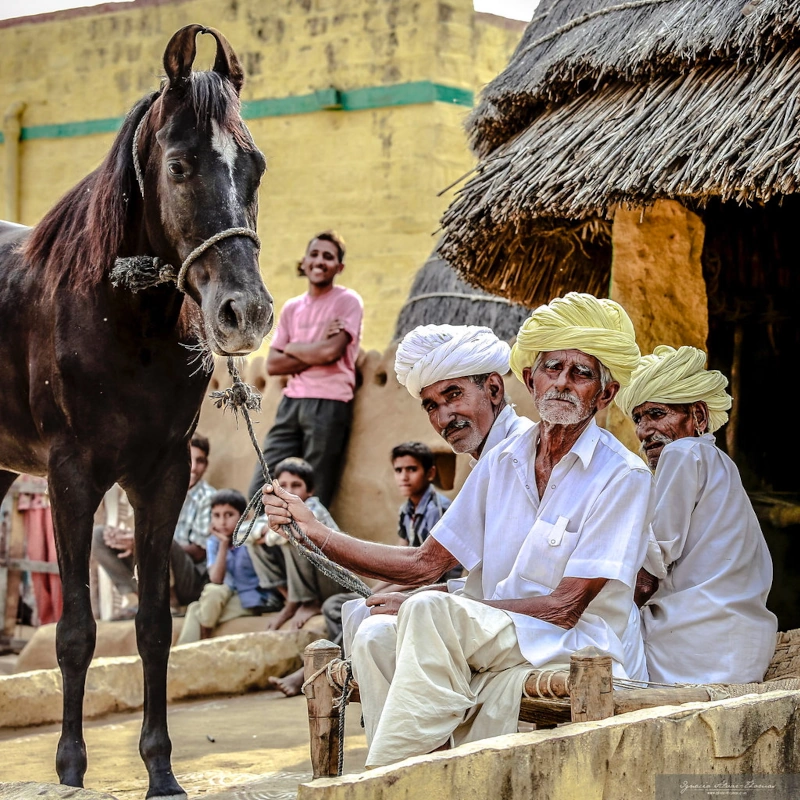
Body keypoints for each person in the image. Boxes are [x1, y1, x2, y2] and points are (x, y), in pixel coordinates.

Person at [263, 292, 653, 768]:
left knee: (427, 609)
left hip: (576, 639)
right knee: (374, 636)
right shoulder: (502, 461)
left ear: (606, 394)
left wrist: (447, 604)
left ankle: (383, 779)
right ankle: (423, 771)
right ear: (530, 379)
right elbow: (428, 563)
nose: (563, 384)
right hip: (505, 629)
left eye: (582, 373)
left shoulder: (624, 476)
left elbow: (566, 607)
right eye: (552, 368)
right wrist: (310, 531)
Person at [615, 345, 777, 683]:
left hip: (697, 649)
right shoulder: (720, 464)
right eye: (638, 419)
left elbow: (647, 575)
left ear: (698, 417)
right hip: (741, 648)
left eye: (657, 414)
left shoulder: (684, 453)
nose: (644, 431)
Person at [270, 442, 453, 697]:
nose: (404, 476)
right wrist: (369, 593)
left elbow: (427, 571)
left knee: (368, 610)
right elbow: (399, 559)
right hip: (407, 578)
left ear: (430, 473)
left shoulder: (439, 509)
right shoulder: (407, 510)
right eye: (398, 470)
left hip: (432, 587)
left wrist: (373, 597)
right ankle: (349, 661)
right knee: (336, 605)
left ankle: (322, 670)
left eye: (411, 469)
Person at [246, 231, 363, 508]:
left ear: (339, 267)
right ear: (304, 260)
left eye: (328, 256)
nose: (319, 261)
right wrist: (316, 346)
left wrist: (294, 347)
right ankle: (265, 545)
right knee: (263, 482)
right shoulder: (292, 308)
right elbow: (273, 364)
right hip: (291, 402)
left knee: (316, 487)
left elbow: (330, 352)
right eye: (314, 254)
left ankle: (306, 550)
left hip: (330, 401)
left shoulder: (347, 301)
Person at [92, 433, 216, 614]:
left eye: (201, 461)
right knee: (98, 536)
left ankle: (169, 602)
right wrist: (129, 541)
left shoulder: (208, 497)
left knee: (161, 537)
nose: (194, 468)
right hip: (156, 569)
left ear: (206, 465)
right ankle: (141, 599)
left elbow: (199, 552)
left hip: (190, 580)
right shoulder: (162, 492)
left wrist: (146, 544)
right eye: (190, 459)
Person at [247, 457, 343, 634]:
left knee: (291, 539)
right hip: (305, 582)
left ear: (310, 491)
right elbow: (242, 533)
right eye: (283, 485)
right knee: (253, 544)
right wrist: (262, 533)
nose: (289, 491)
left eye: (296, 485)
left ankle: (308, 602)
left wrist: (269, 534)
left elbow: (293, 534)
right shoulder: (279, 511)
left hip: (332, 581)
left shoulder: (313, 508)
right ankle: (292, 601)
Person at [176, 490, 283, 645]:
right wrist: (224, 544)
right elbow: (216, 579)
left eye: (229, 515)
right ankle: (185, 651)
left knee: (196, 610)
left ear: (244, 517)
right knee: (207, 596)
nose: (222, 522)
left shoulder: (250, 538)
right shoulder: (214, 542)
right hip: (228, 595)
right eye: (216, 515)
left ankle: (198, 641)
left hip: (256, 598)